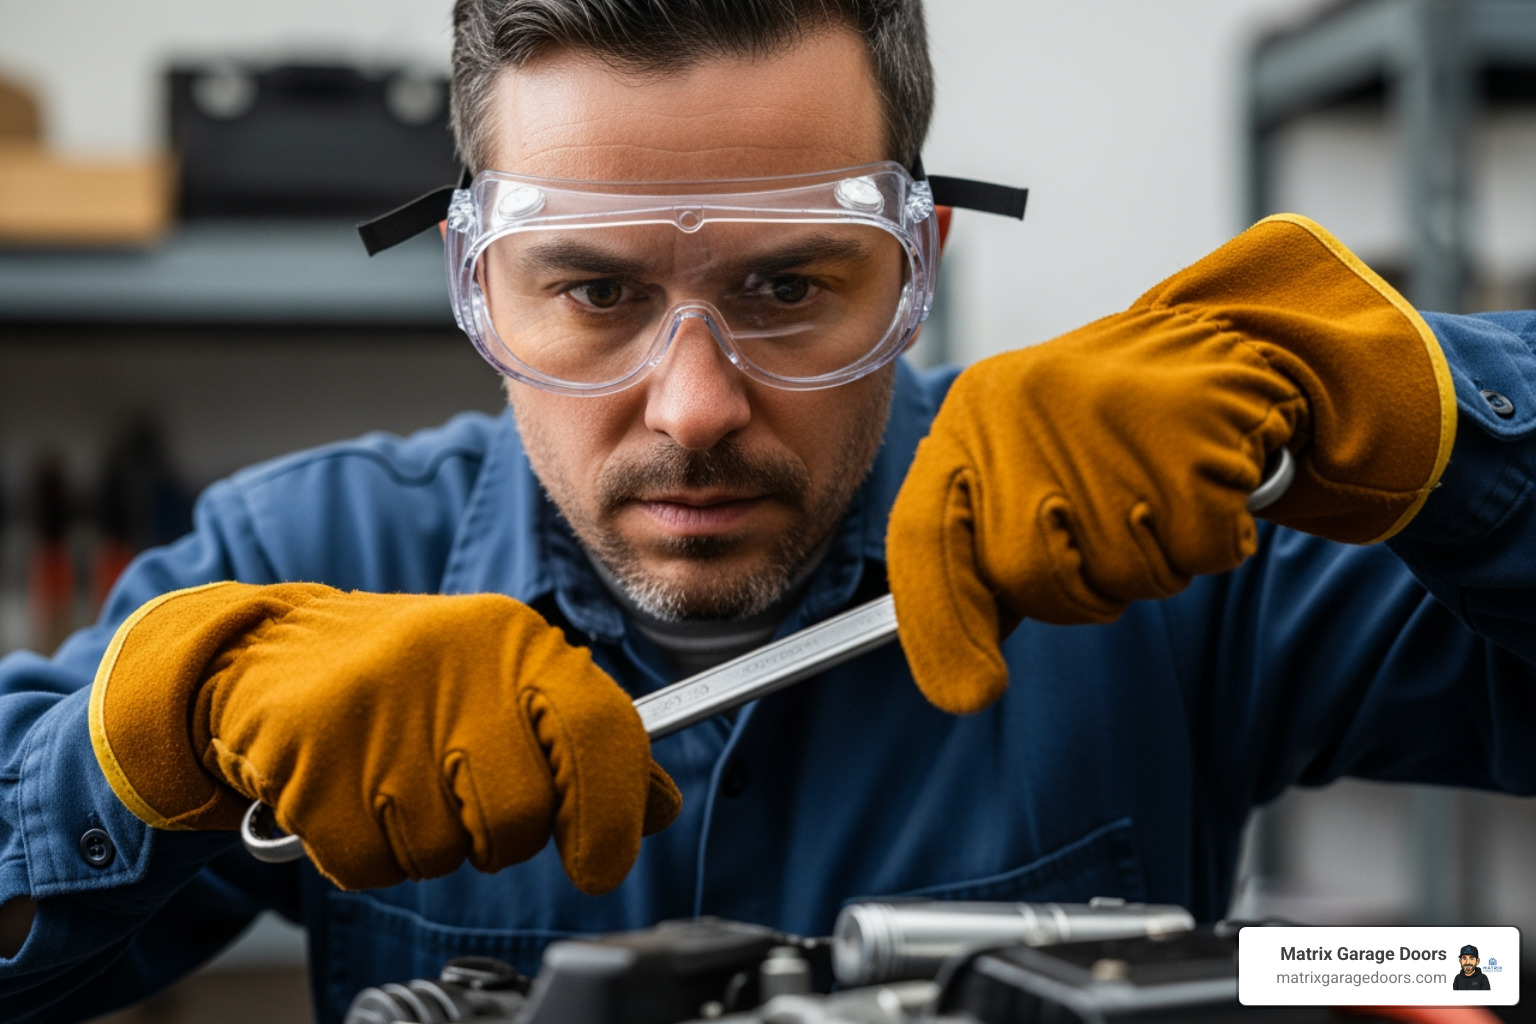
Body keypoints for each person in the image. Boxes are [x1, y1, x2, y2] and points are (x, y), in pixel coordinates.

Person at [1, 1, 1534, 1021]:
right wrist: (149, 740)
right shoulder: (318, 562)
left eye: (789, 287)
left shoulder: (1185, 551)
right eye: (593, 291)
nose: (694, 406)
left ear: (917, 262)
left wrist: (1428, 412)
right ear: (478, 281)